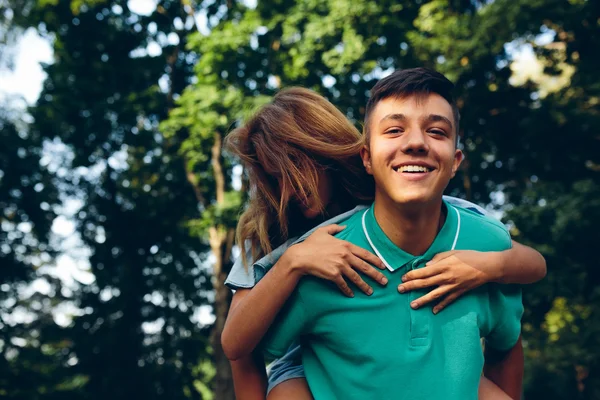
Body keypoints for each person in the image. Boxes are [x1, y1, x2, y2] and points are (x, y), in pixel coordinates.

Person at [222, 80, 545, 399]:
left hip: (427, 361)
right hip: (304, 361)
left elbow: (530, 264)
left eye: (298, 173)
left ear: (327, 153)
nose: (291, 191)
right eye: (276, 180)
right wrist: (293, 261)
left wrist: (488, 265)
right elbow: (239, 349)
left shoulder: (402, 188)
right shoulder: (266, 232)